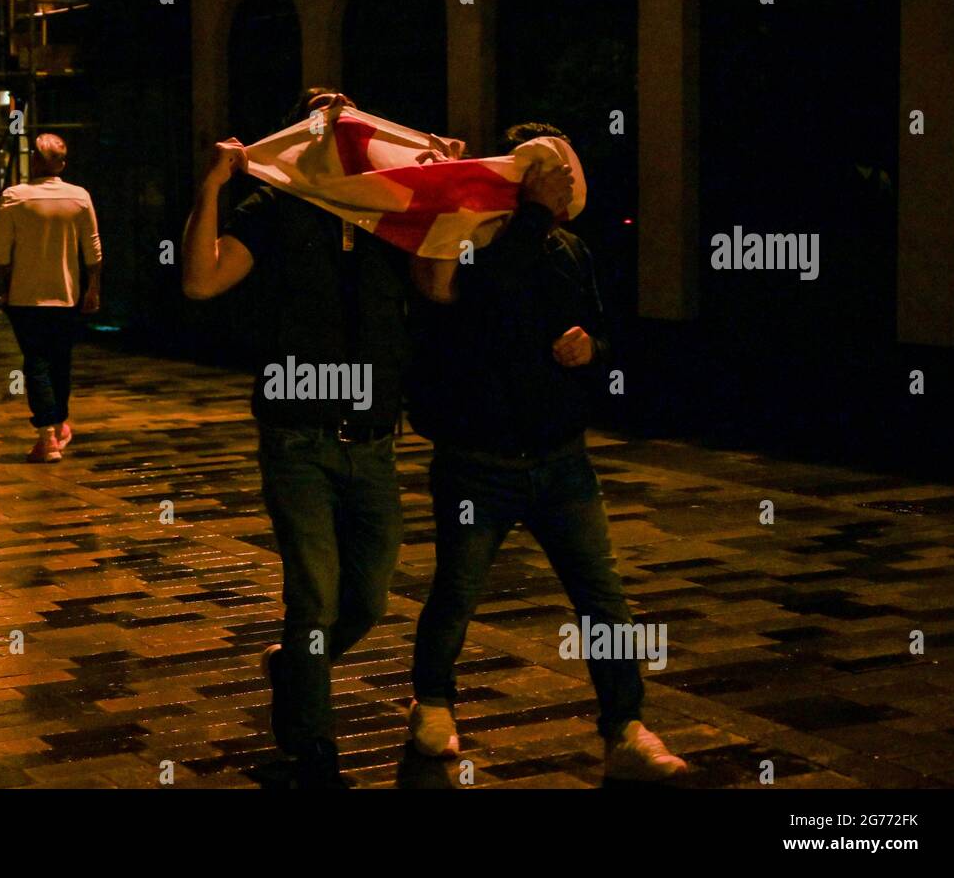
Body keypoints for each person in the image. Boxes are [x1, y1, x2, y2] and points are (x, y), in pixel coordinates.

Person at [405, 123, 689, 781]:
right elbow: (480, 303)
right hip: (480, 462)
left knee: (603, 599)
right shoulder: (471, 243)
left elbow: (602, 335)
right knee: (457, 591)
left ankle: (626, 725)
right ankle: (434, 704)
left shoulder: (568, 248)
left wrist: (593, 351)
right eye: (544, 168)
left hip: (561, 459)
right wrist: (528, 213)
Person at [183, 88, 438, 788]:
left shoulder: (388, 212)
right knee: (314, 596)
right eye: (320, 119)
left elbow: (439, 286)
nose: (336, 128)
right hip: (298, 437)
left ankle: (298, 664)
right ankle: (312, 748)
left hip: (376, 440)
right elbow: (202, 280)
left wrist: (442, 192)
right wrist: (212, 186)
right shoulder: (274, 212)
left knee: (370, 598)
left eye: (348, 115)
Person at [0, 133, 103, 462]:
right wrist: (93, 286)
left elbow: (1, 254)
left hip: (25, 296)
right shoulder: (79, 197)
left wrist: (4, 288)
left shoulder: (14, 197)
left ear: (34, 161)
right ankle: (59, 424)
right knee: (61, 362)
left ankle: (48, 436)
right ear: (62, 164)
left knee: (36, 362)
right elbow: (93, 248)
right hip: (66, 293)